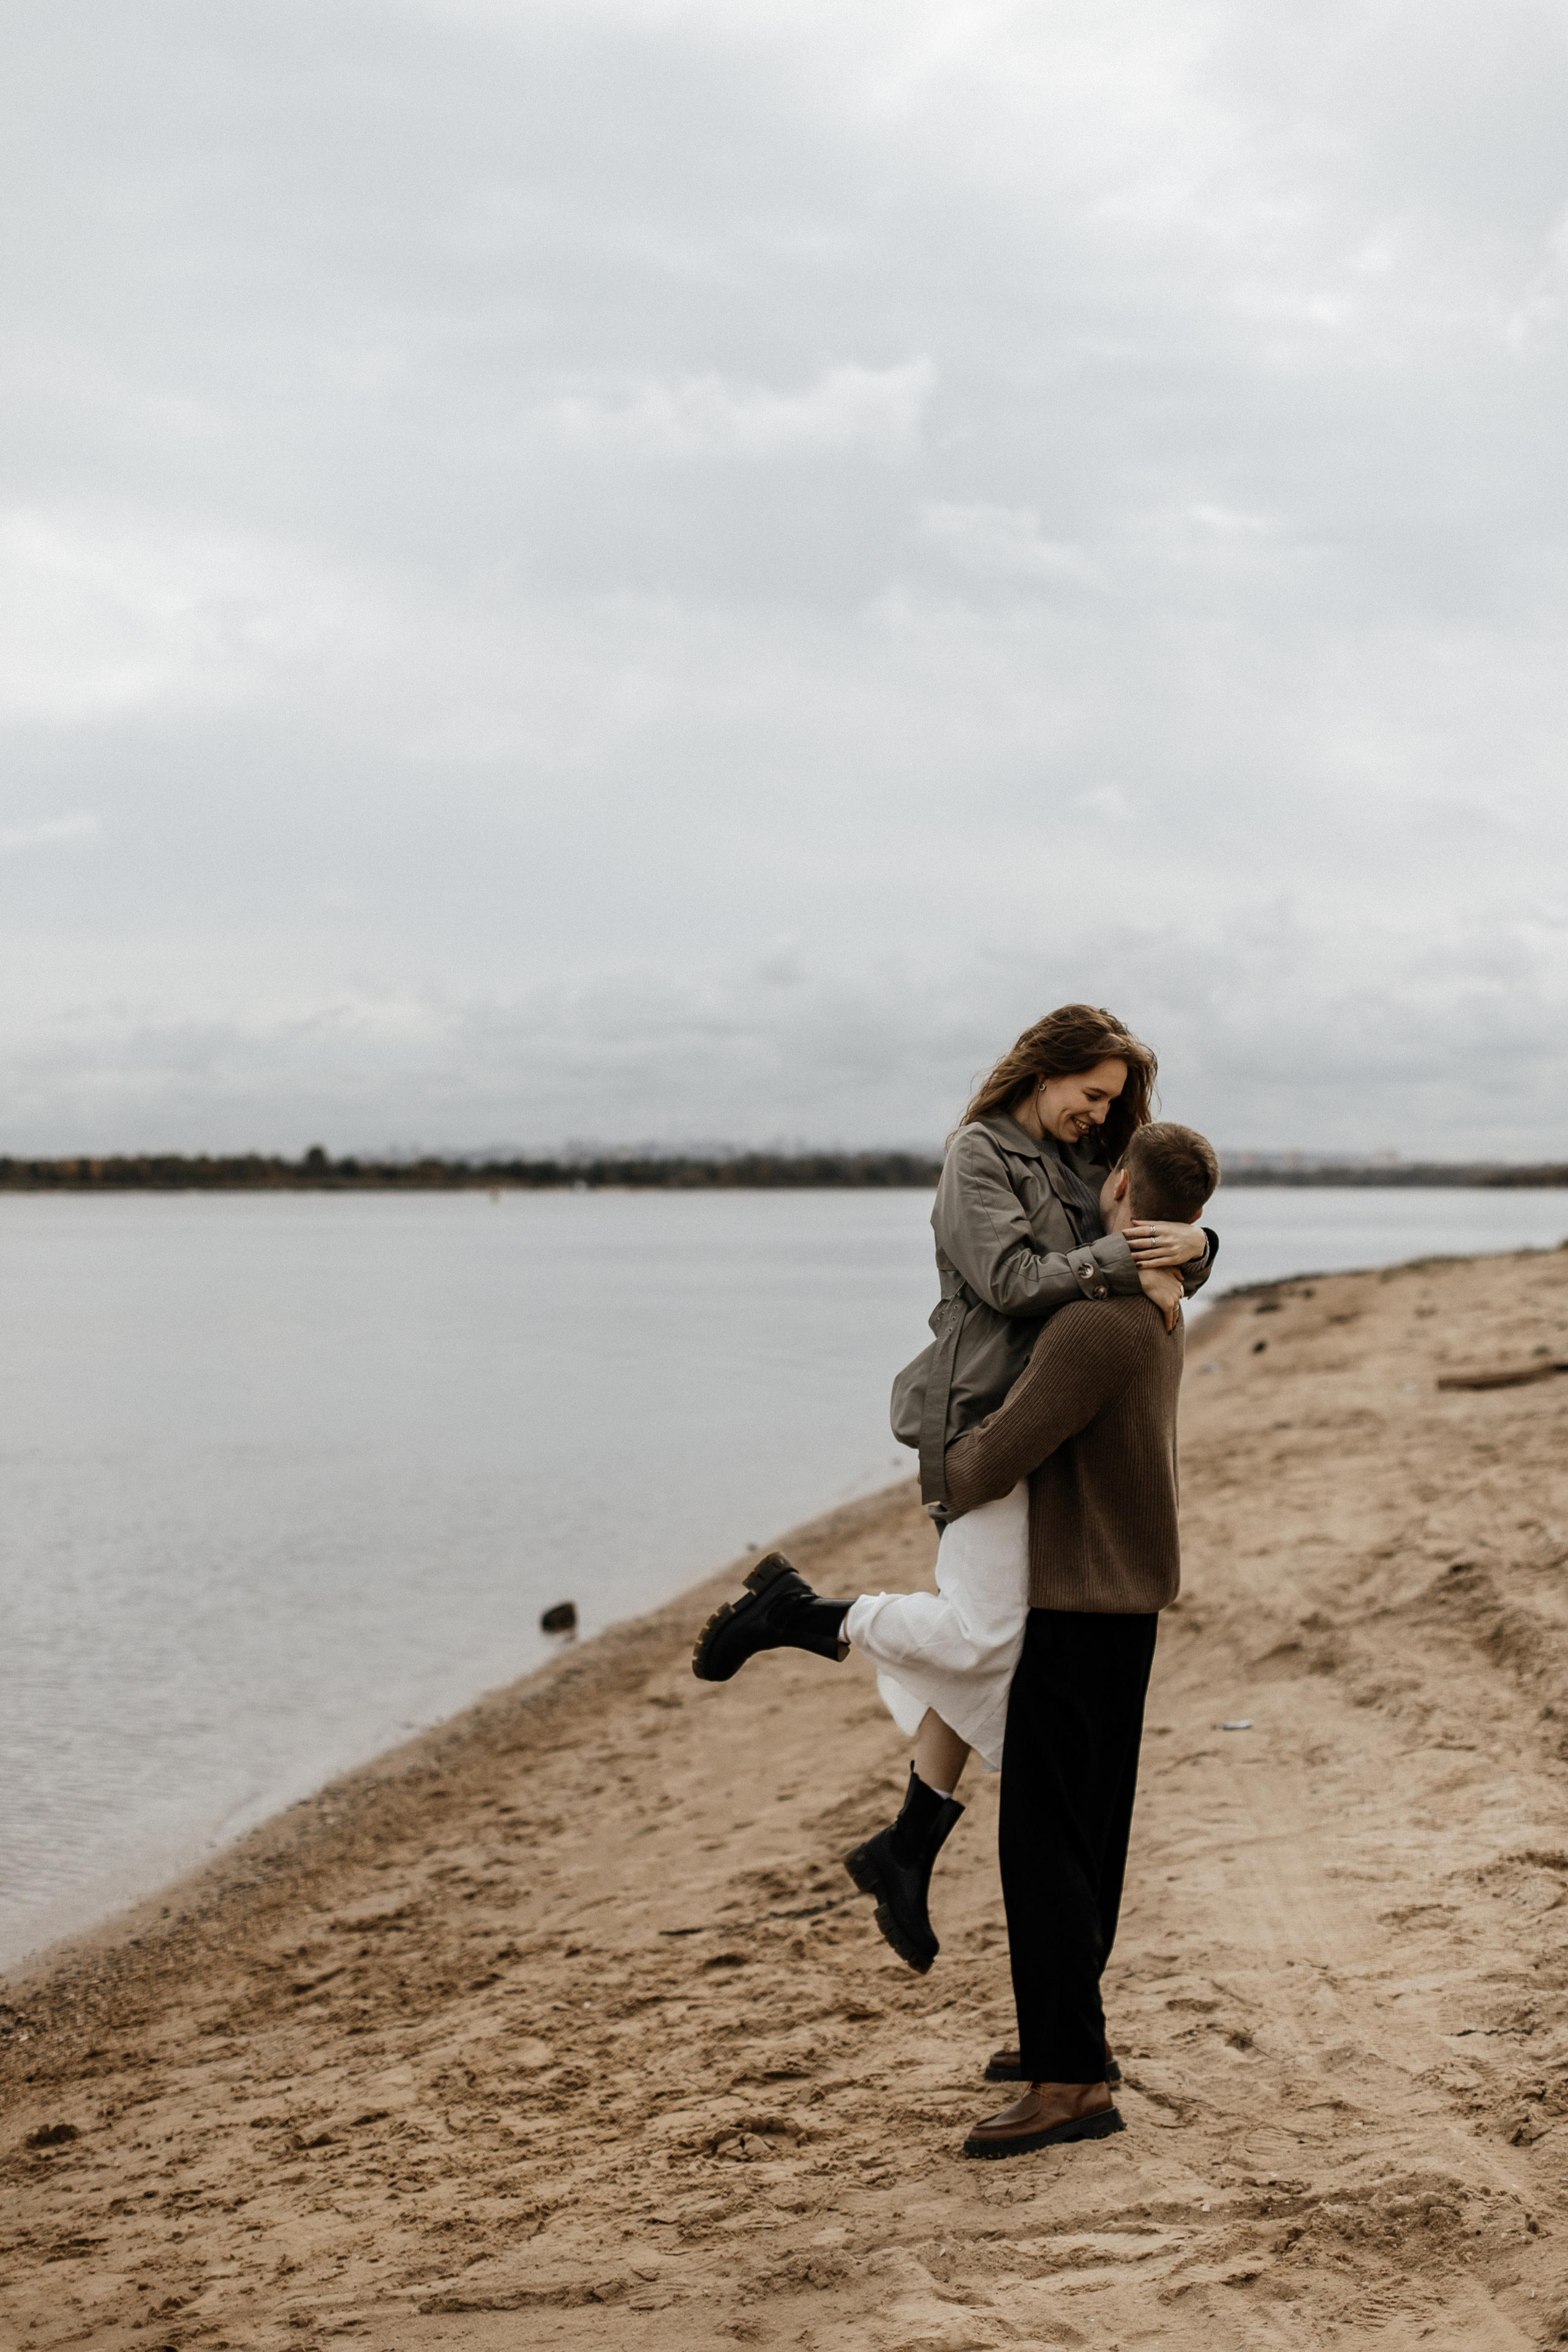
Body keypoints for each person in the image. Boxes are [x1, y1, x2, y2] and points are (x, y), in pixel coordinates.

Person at [693, 1006, 1216, 1970]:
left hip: (1046, 1433)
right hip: (985, 1423)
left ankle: (908, 1846)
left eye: (1113, 1107)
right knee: (987, 1642)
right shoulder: (976, 1157)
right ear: (1043, 1069)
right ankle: (803, 1615)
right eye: (1092, 1095)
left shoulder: (1077, 1156)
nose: (1099, 1118)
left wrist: (1192, 1243)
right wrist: (1146, 1254)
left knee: (1008, 1661)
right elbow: (1016, 1282)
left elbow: (1134, 1217)